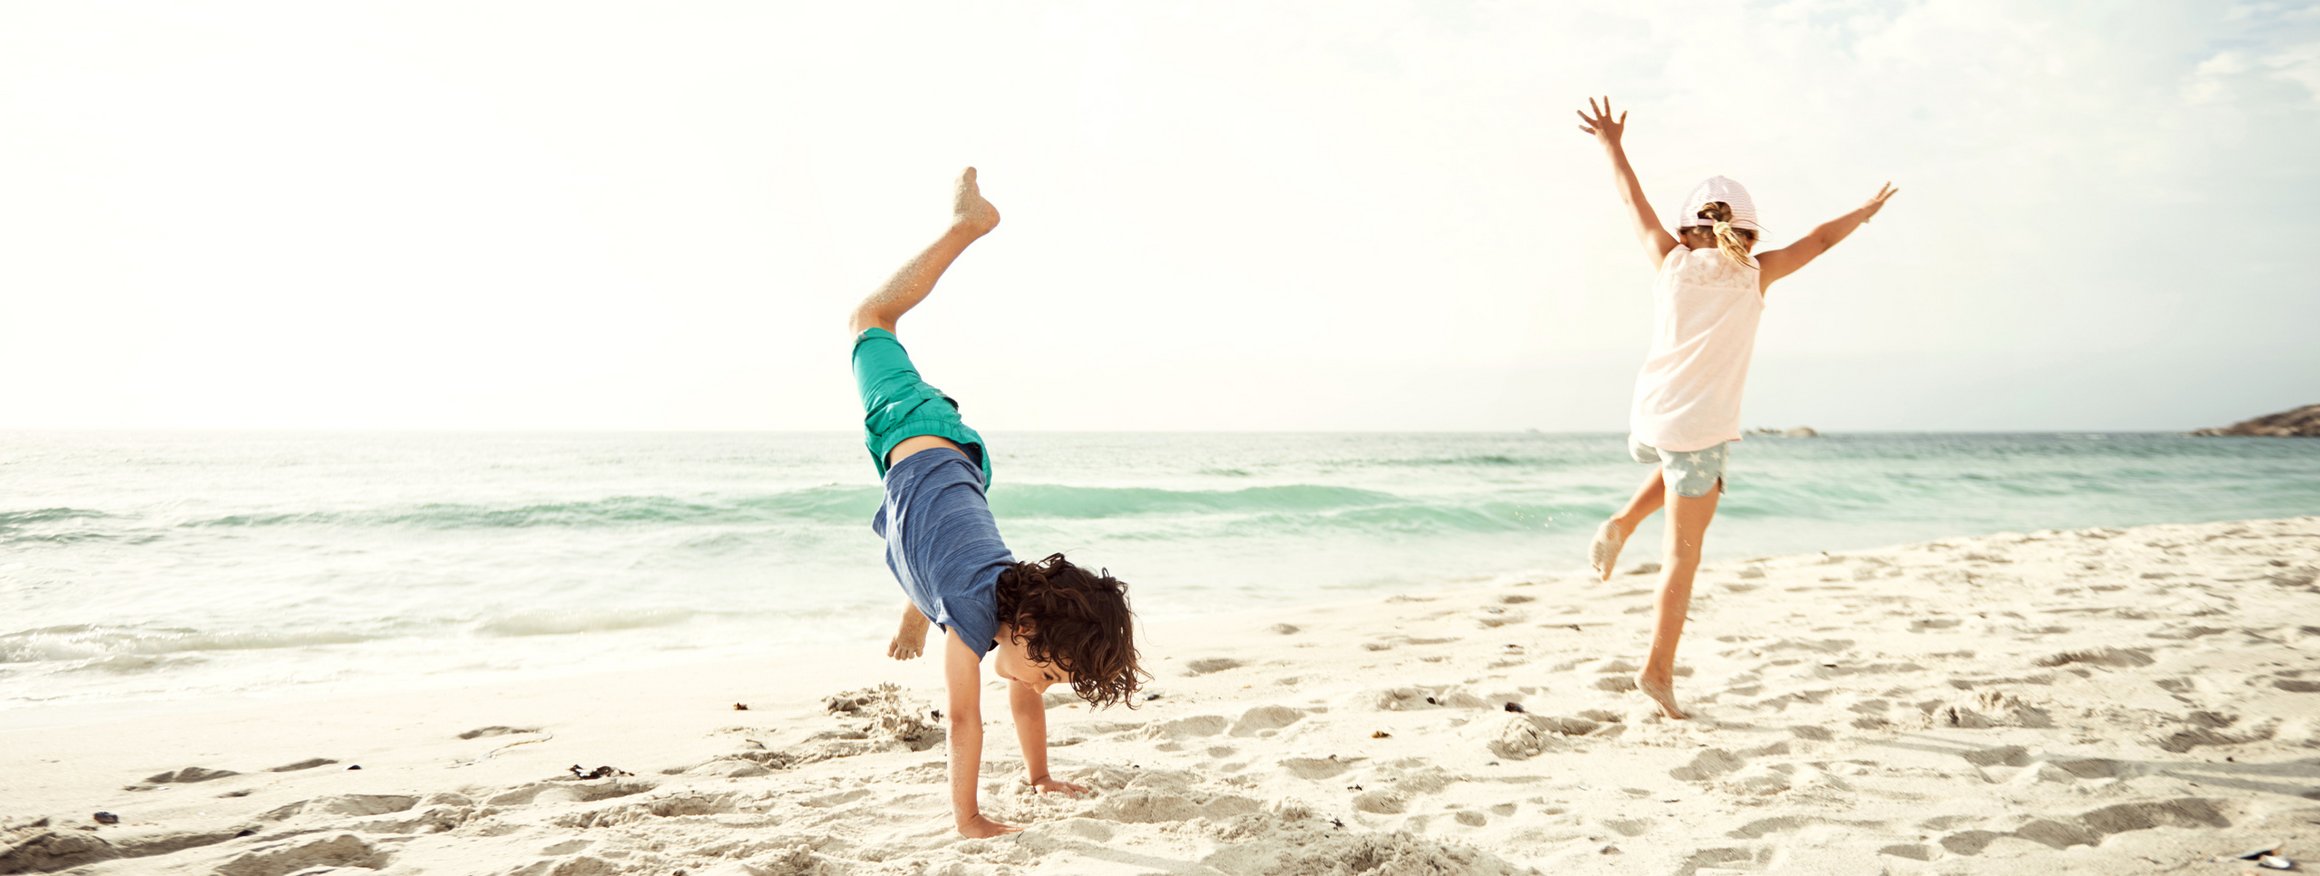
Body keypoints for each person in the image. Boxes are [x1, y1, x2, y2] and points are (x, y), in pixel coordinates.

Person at [1574, 97, 1898, 719]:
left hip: (1650, 418)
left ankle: (1620, 522)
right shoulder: (1756, 271)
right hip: (1699, 426)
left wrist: (1612, 143)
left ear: (1687, 228)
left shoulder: (1667, 260)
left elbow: (1629, 199)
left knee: (1678, 466)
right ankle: (1657, 672)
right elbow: (1823, 239)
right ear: (1746, 230)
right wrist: (1866, 210)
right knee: (1682, 556)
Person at [846, 167, 1145, 836]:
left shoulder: (1014, 615)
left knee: (929, 557)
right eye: (1050, 673)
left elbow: (1023, 698)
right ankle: (966, 227)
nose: (1042, 688)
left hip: (958, 472)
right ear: (1029, 632)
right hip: (914, 429)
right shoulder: (981, 622)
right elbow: (962, 719)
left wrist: (1038, 778)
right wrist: (970, 817)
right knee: (870, 319)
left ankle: (916, 609)